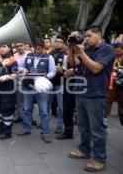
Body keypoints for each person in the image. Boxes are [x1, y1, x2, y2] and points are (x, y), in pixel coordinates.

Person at [67, 26, 115, 172]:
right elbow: (74, 64)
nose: (86, 39)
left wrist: (81, 52)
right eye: (85, 36)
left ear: (99, 35)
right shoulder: (87, 49)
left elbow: (95, 68)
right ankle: (84, 150)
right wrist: (70, 49)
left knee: (97, 129)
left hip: (96, 94)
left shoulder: (106, 49)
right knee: (83, 126)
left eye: (89, 36)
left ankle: (100, 160)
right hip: (82, 92)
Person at [17, 40, 56, 143]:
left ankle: (45, 133)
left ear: (43, 48)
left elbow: (53, 70)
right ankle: (26, 128)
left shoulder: (49, 57)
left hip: (41, 88)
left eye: (39, 48)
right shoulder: (27, 56)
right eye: (36, 48)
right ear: (33, 47)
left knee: (43, 112)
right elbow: (19, 67)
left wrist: (47, 76)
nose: (37, 50)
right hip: (28, 86)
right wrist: (22, 71)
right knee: (27, 109)